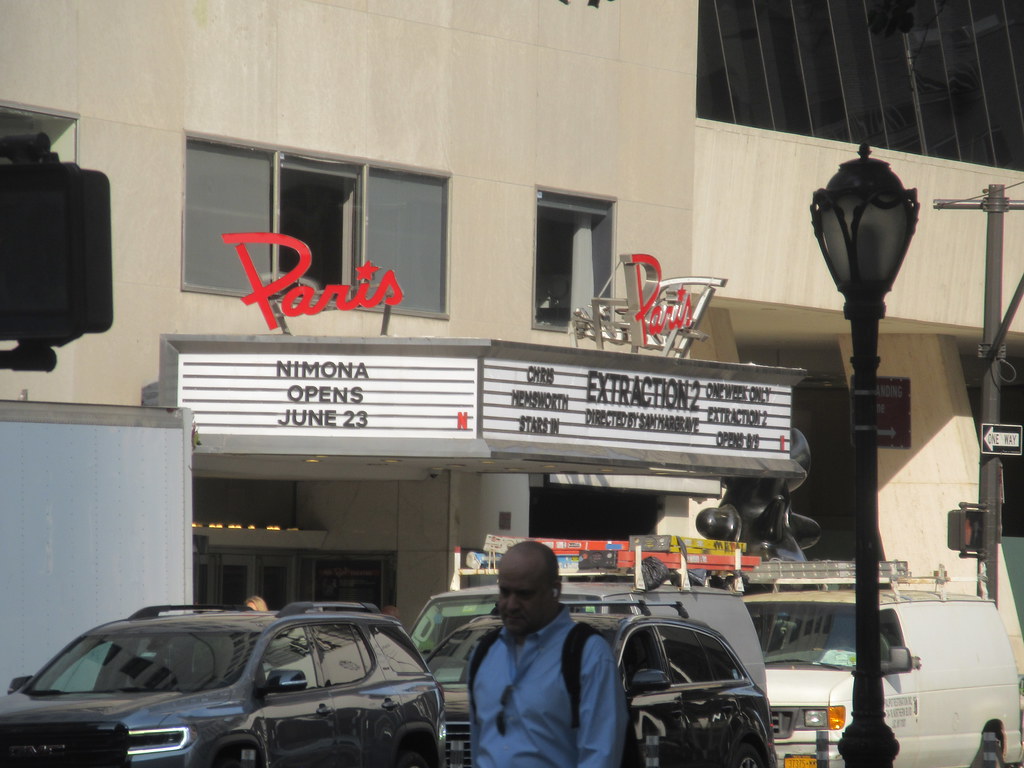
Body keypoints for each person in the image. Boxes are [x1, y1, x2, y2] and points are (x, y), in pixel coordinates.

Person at [469, 540, 626, 768]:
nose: (511, 604)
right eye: (505, 592)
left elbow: (600, 756)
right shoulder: (484, 653)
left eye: (524, 594)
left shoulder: (587, 654)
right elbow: (479, 747)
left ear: (555, 590)